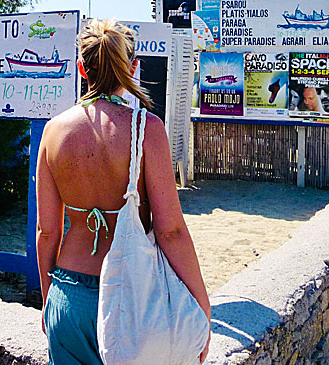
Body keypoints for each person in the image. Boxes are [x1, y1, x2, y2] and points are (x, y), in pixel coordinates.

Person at [36, 19, 211, 364]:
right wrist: (201, 305)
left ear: (81, 69)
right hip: (133, 301)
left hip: (68, 297)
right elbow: (171, 231)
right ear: (132, 68)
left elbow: (47, 232)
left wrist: (48, 299)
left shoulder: (53, 131)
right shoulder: (147, 129)